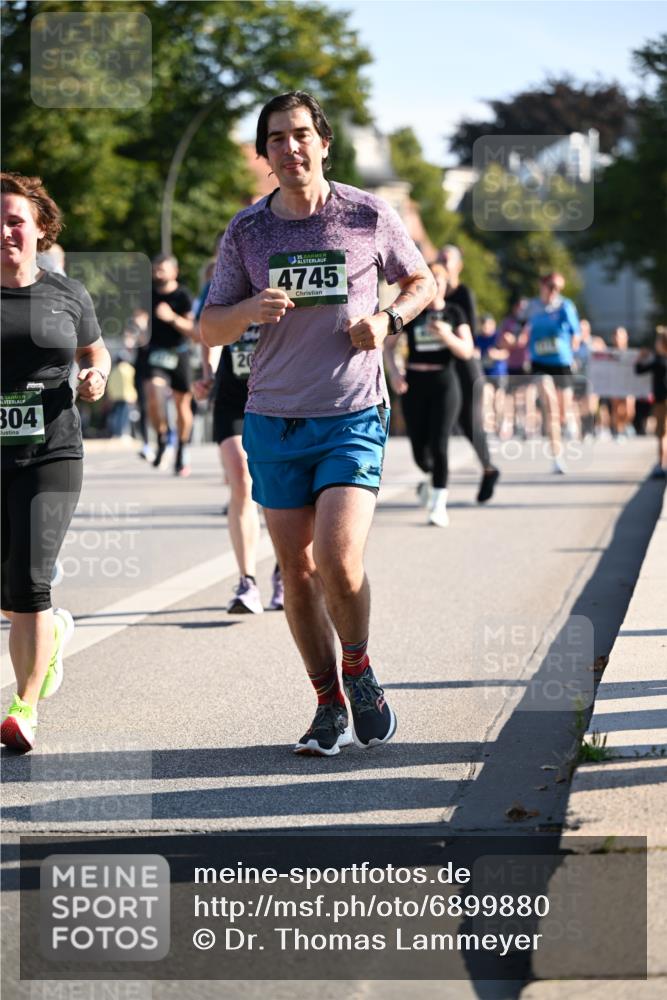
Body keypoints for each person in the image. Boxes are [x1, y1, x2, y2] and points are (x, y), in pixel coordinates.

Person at [201, 91, 434, 756]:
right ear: (265, 153)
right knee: (296, 573)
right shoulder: (247, 233)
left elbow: (421, 282)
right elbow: (208, 324)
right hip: (274, 418)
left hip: (351, 413)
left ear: (323, 142)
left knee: (336, 557)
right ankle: (326, 703)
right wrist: (248, 308)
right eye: (276, 138)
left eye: (301, 134)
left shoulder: (366, 214)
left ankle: (356, 667)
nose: (290, 147)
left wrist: (388, 321)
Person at [1, 171, 110, 752]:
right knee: (8, 589)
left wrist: (96, 375)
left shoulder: (67, 293)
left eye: (16, 220)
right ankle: (55, 636)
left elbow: (96, 350)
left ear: (40, 227)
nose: (4, 231)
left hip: (53, 449)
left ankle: (24, 707)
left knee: (30, 581)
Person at [194, 247, 284, 614]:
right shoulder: (222, 288)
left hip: (278, 397)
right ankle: (247, 582)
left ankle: (284, 572)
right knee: (242, 482)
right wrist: (208, 374)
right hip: (232, 397)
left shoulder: (280, 279)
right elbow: (209, 334)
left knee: (279, 490)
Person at [384, 261, 473, 526]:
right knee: (420, 451)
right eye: (430, 279)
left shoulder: (455, 313)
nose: (435, 285)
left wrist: (447, 336)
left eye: (439, 279)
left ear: (445, 285)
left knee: (440, 442)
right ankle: (431, 479)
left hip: (445, 382)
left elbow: (467, 350)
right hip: (414, 382)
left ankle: (438, 504)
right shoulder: (415, 313)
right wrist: (396, 372)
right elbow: (388, 347)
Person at [439, 244, 500, 502]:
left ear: (458, 266)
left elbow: (471, 335)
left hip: (464, 365)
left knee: (470, 424)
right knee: (441, 422)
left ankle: (488, 469)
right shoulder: (429, 293)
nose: (442, 261)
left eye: (447, 258)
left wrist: (446, 334)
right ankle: (434, 477)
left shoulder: (463, 293)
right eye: (439, 257)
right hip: (440, 367)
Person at [145, 254, 197, 476]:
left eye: (162, 269)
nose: (157, 273)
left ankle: (181, 449)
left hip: (180, 353)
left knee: (181, 405)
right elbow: (138, 317)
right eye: (155, 269)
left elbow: (192, 330)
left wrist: (171, 318)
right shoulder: (147, 293)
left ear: (174, 272)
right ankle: (162, 438)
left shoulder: (183, 295)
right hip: (156, 352)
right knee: (153, 394)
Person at [526, 272, 580, 474]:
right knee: (551, 408)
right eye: (551, 287)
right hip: (539, 362)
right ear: (542, 286)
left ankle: (570, 419)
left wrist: (573, 351)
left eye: (558, 288)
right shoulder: (532, 307)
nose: (554, 292)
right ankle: (557, 457)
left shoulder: (566, 306)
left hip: (561, 363)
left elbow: (576, 333)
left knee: (562, 412)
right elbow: (521, 327)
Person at [635, 328, 667, 478]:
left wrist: (641, 358)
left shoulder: (658, 361)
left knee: (661, 433)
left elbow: (639, 369)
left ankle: (661, 463)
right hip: (660, 400)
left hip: (661, 402)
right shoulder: (657, 360)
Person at [475, 313, 509, 438]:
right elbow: (474, 351)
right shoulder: (478, 338)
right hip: (485, 373)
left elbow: (506, 353)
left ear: (493, 324)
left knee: (498, 401)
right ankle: (487, 426)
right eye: (483, 325)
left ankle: (500, 425)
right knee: (486, 397)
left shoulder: (498, 337)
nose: (485, 327)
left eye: (487, 324)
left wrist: (496, 354)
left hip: (498, 373)